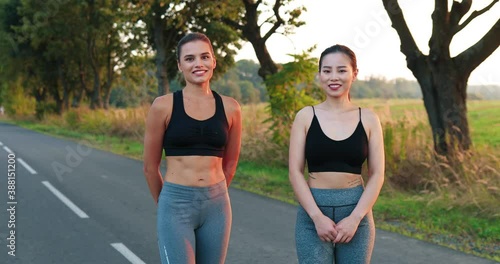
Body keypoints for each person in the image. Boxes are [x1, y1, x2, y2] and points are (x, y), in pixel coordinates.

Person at [143, 32, 242, 264]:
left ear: (214, 61)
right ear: (180, 65)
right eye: (189, 59)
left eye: (204, 57)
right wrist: (168, 205)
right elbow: (150, 167)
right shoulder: (163, 106)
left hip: (217, 206)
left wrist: (213, 194)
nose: (198, 64)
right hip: (175, 203)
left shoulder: (231, 108)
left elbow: (231, 162)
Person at [288, 44, 385, 264]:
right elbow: (295, 172)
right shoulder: (305, 116)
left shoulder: (368, 119)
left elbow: (377, 174)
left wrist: (355, 219)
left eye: (342, 70)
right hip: (312, 213)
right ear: (319, 74)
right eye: (327, 70)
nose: (334, 77)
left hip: (356, 213)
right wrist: (316, 217)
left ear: (354, 74)